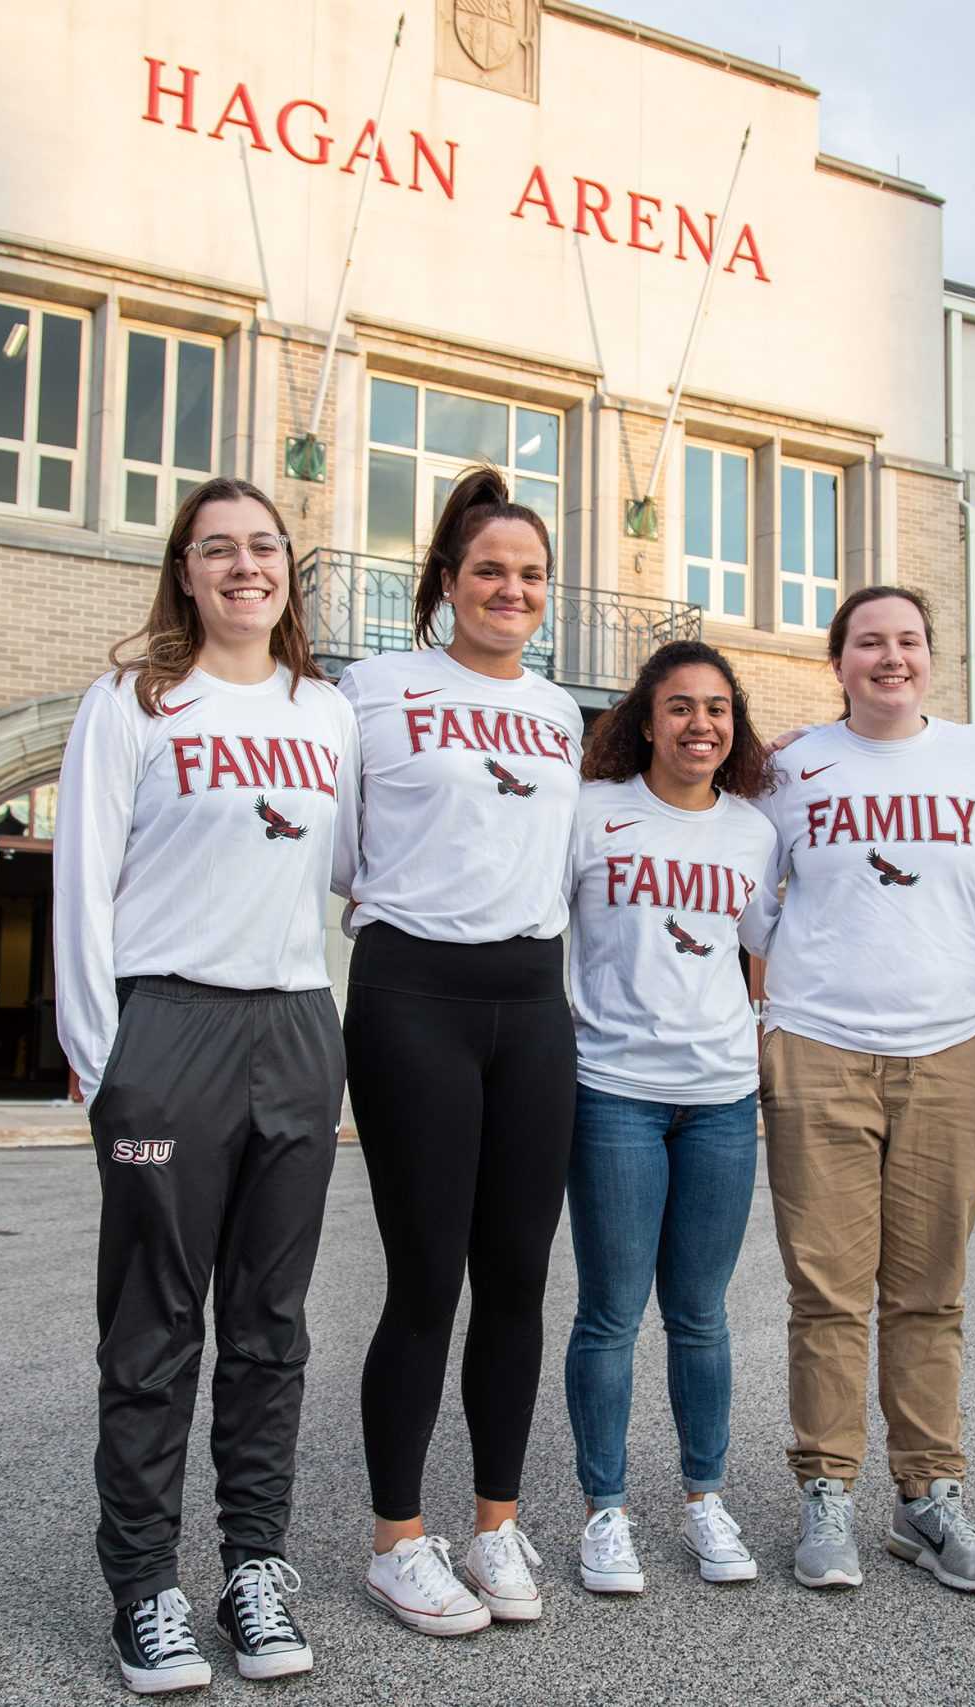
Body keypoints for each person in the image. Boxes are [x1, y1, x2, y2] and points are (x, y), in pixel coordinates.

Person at [53, 477, 356, 1693]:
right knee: (156, 1324)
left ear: (290, 570)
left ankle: (253, 1567)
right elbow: (82, 884)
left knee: (271, 1328)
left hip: (294, 1022)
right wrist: (103, 1067)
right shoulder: (133, 702)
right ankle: (144, 1587)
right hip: (166, 1027)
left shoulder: (327, 712)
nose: (245, 566)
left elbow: (347, 870)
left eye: (265, 547)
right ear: (183, 572)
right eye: (216, 549)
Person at [745, 585, 975, 1597]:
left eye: (910, 642)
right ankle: (827, 1491)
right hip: (818, 1047)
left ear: (933, 655)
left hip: (945, 1051)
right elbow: (747, 905)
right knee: (828, 1291)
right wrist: (770, 1015)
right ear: (836, 662)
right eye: (869, 643)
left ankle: (926, 1497)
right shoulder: (791, 768)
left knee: (929, 1292)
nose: (892, 658)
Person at [339, 467, 585, 1637]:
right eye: (489, 569)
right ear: (446, 581)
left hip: (533, 1004)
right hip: (413, 992)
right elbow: (339, 855)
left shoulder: (557, 715)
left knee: (521, 1280)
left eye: (530, 575)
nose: (511, 589)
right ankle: (397, 1538)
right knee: (428, 1275)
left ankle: (495, 1523)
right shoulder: (376, 688)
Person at [560, 641, 781, 1596]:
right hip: (613, 1089)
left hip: (723, 1100)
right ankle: (605, 1511)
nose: (702, 724)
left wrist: (765, 1038)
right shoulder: (591, 814)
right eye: (682, 707)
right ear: (644, 720)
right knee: (610, 1313)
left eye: (719, 709)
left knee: (699, 1314)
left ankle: (703, 1498)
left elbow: (765, 944)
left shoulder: (752, 833)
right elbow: (539, 927)